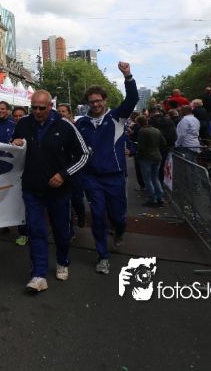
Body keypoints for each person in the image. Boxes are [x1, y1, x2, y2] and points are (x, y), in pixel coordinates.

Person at [12, 90, 90, 293]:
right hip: (31, 189)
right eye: (33, 108)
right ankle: (38, 275)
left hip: (59, 191)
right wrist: (15, 144)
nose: (37, 111)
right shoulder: (23, 123)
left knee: (62, 231)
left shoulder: (65, 125)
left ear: (50, 106)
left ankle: (63, 260)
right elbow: (14, 150)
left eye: (41, 108)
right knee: (36, 231)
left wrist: (63, 174)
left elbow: (84, 155)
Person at [74, 61, 139, 275]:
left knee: (117, 216)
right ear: (87, 103)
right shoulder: (82, 123)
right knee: (98, 216)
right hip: (91, 178)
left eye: (99, 101)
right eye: (92, 102)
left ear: (105, 101)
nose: (95, 104)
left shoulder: (117, 117)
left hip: (114, 176)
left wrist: (128, 76)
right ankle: (102, 256)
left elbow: (132, 99)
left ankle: (119, 230)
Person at [0, 100, 28, 245]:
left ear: (8, 110)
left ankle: (24, 232)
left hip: (17, 168)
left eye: (3, 109)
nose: (0, 111)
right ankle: (4, 222)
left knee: (19, 199)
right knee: (0, 196)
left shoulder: (16, 125)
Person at [135, 116, 167, 207]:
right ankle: (160, 197)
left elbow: (141, 147)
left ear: (139, 123)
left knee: (147, 179)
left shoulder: (142, 131)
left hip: (146, 157)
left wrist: (137, 155)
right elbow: (163, 143)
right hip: (157, 156)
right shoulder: (157, 130)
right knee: (155, 178)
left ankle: (152, 199)